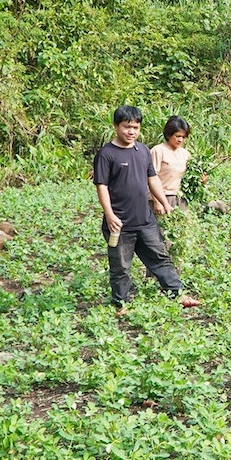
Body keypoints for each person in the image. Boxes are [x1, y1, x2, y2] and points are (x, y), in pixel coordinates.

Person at [93, 105, 201, 311]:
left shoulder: (142, 150)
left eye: (135, 127)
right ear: (116, 126)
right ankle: (121, 304)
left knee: (160, 257)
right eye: (127, 127)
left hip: (145, 219)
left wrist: (164, 203)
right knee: (121, 267)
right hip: (120, 224)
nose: (131, 131)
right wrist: (109, 215)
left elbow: (153, 180)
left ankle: (177, 293)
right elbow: (102, 186)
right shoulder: (106, 154)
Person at [149, 115, 200, 214]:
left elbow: (189, 178)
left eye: (183, 137)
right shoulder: (158, 151)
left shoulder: (185, 154)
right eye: (177, 136)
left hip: (180, 198)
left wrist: (201, 180)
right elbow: (150, 178)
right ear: (168, 135)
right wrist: (157, 202)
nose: (180, 140)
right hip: (161, 197)